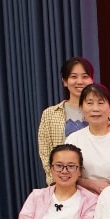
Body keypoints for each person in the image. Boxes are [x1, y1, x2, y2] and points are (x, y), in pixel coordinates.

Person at [37, 56, 93, 184]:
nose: (80, 81)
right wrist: (56, 181)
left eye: (85, 76)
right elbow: (45, 152)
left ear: (91, 80)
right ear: (65, 81)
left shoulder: (105, 111)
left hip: (99, 183)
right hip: (64, 183)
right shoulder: (50, 114)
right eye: (74, 77)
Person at [66, 83, 110, 194]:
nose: (95, 109)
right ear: (81, 107)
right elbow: (66, 174)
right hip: (85, 198)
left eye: (100, 103)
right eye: (90, 103)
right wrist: (90, 184)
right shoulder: (73, 140)